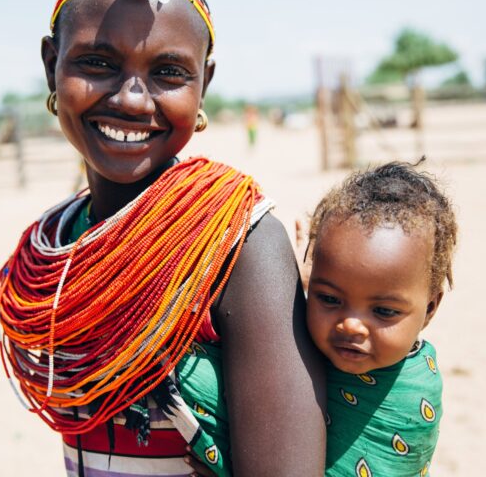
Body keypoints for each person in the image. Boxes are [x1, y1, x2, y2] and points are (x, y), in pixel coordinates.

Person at [0, 0, 326, 477]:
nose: (130, 99)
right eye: (97, 63)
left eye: (169, 73)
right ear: (50, 65)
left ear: (204, 83)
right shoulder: (61, 239)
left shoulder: (239, 244)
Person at [182, 162, 457, 477]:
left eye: (383, 311)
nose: (350, 325)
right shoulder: (290, 345)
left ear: (430, 309)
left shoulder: (413, 395)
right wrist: (290, 289)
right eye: (329, 299)